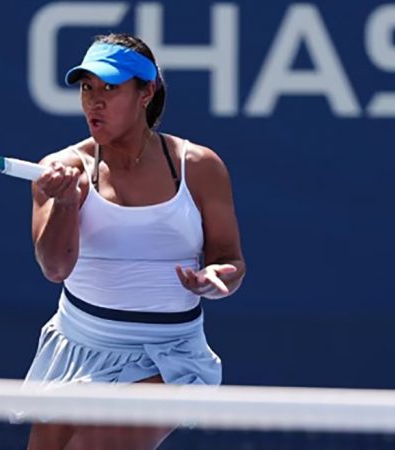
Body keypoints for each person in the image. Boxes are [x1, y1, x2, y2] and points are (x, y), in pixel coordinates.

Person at [26, 33, 246, 450]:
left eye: (111, 87)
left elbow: (230, 260)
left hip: (170, 356)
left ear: (147, 92)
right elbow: (55, 269)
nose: (95, 100)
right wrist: (66, 204)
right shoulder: (59, 168)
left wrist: (217, 277)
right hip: (79, 346)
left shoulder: (199, 167)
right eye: (87, 87)